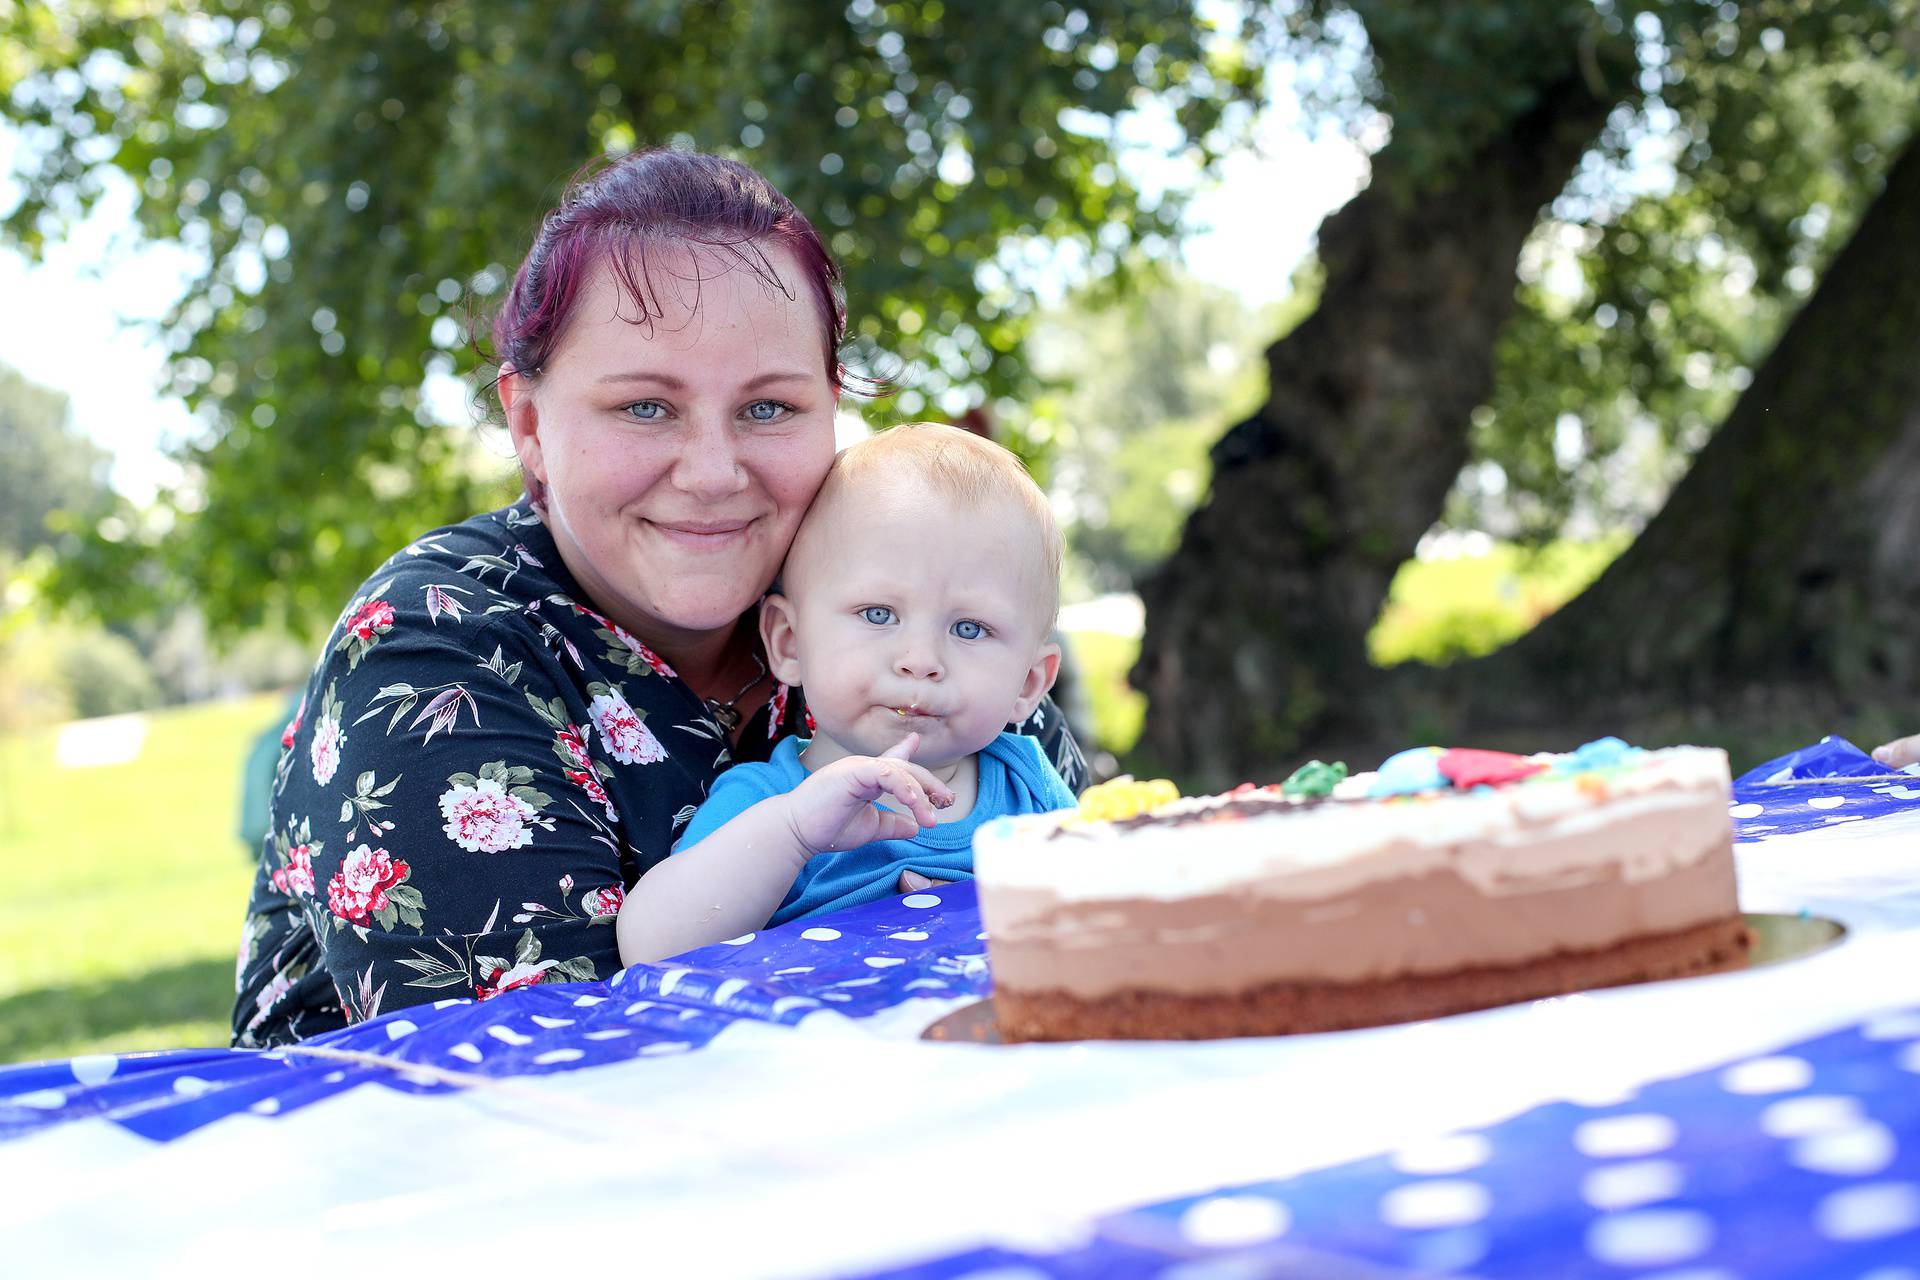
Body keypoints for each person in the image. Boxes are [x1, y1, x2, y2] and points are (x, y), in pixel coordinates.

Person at [231, 150, 1086, 1048]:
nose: (714, 474)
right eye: (645, 407)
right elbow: (553, 1065)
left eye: (769, 409)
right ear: (529, 425)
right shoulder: (433, 652)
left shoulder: (887, 593)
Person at [617, 424, 1078, 963]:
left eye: (970, 629)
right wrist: (794, 834)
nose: (922, 660)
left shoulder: (1029, 786)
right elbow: (650, 948)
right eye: (878, 615)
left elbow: (1109, 912)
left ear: (1029, 683)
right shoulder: (771, 802)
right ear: (790, 643)